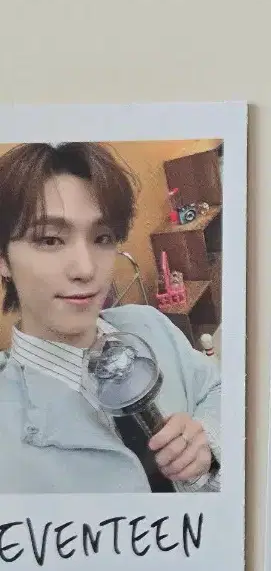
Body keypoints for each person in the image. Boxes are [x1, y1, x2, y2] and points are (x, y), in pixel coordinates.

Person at [0, 142, 222, 494]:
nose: (86, 269)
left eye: (102, 238)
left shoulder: (150, 324)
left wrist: (209, 441)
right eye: (50, 240)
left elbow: (217, 388)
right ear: (4, 260)